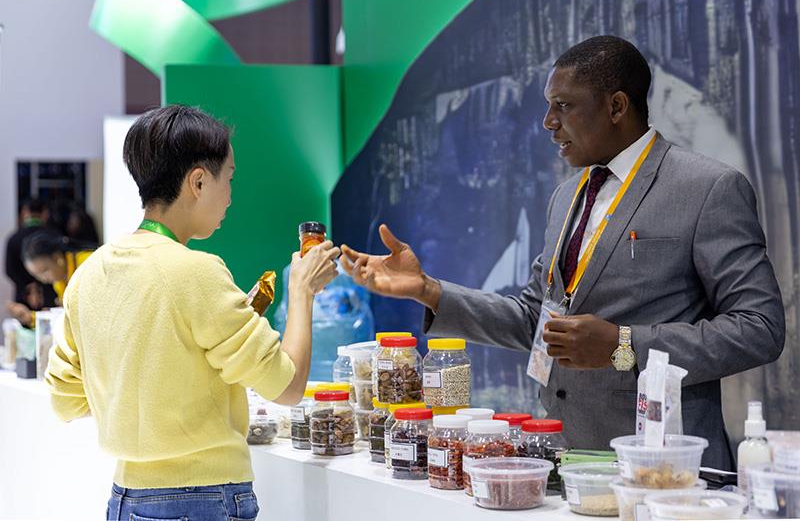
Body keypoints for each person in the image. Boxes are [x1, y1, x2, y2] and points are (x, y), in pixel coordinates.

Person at [341, 36, 785, 471]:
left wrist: (624, 345)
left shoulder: (707, 188)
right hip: (566, 462)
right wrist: (428, 291)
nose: (548, 122)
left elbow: (760, 328)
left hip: (664, 468)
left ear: (616, 106)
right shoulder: (567, 196)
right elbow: (536, 321)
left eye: (564, 105)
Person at [44, 105, 340, 520]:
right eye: (229, 178)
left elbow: (65, 400)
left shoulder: (89, 274)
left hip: (124, 500)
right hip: (203, 499)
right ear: (198, 181)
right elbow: (287, 387)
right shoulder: (196, 272)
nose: (230, 196)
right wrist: (302, 290)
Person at [5, 229, 95, 326]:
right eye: (37, 276)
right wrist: (31, 318)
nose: (43, 279)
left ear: (57, 258)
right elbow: (67, 316)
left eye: (44, 271)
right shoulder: (59, 282)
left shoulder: (88, 265)